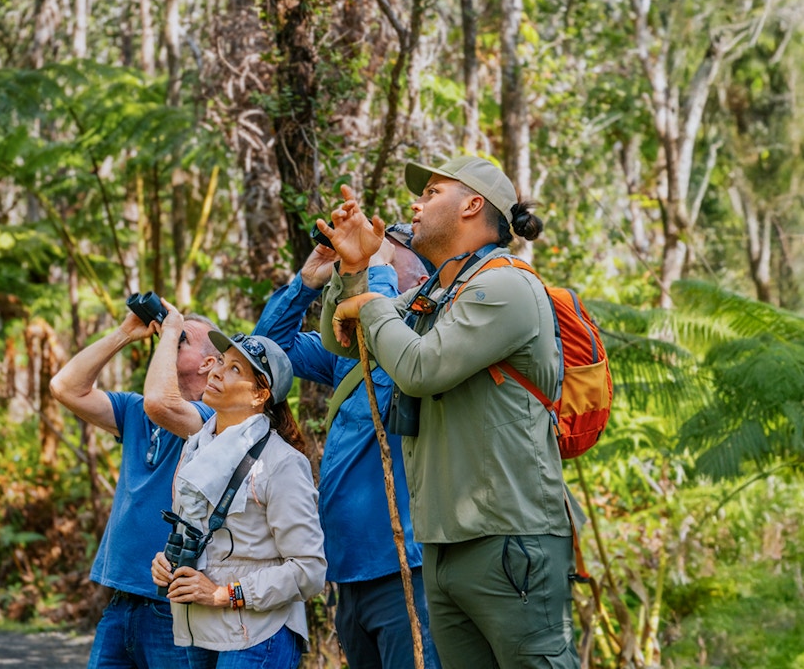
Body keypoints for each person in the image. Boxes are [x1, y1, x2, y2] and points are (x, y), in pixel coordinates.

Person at [317, 158, 581, 668]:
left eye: (432, 192)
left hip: (510, 538)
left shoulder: (506, 286)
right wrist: (352, 272)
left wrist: (369, 300)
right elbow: (343, 342)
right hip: (440, 542)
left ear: (472, 205)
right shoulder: (435, 295)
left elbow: (420, 367)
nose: (415, 205)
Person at [252, 223, 441, 669]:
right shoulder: (350, 358)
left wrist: (371, 270)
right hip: (348, 573)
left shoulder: (428, 346)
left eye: (390, 259)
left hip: (405, 570)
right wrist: (307, 282)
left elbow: (392, 341)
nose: (373, 261)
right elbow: (266, 353)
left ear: (418, 283)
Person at [146, 304, 326, 669]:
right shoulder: (197, 447)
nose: (215, 371)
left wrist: (223, 594)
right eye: (219, 361)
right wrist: (165, 563)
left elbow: (308, 570)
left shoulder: (282, 464)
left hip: (257, 636)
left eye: (234, 369)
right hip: (198, 631)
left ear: (260, 395)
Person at [49, 308, 221, 669]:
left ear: (208, 364)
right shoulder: (136, 411)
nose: (170, 339)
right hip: (120, 602)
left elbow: (163, 404)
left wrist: (172, 326)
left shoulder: (211, 420)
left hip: (174, 606)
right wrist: (125, 334)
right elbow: (64, 387)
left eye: (183, 339)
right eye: (172, 335)